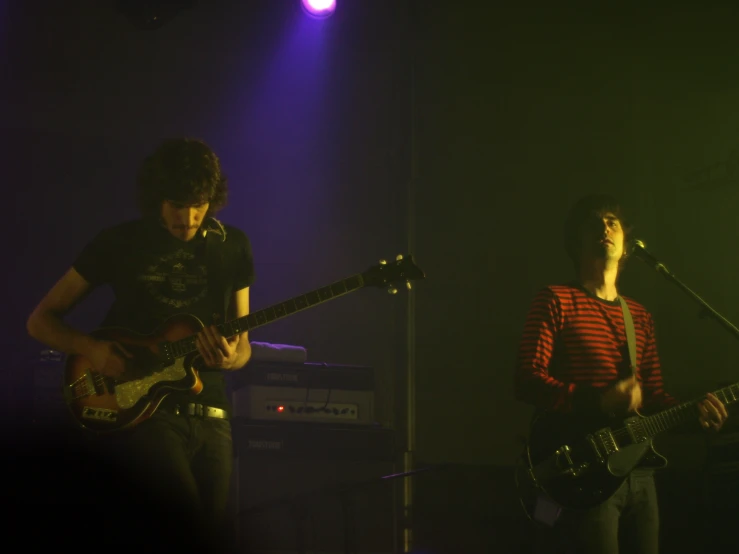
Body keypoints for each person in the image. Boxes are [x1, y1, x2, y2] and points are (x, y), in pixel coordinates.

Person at [25, 137, 255, 550]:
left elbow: (244, 348)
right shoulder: (120, 241)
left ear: (212, 198)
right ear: (156, 198)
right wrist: (93, 350)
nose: (187, 220)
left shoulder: (233, 246)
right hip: (143, 411)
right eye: (176, 207)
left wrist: (230, 357)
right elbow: (40, 321)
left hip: (213, 414)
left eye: (198, 206)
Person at [513, 193, 729, 554]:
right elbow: (526, 379)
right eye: (594, 222)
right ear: (576, 239)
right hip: (585, 466)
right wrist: (597, 401)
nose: (605, 227)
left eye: (612, 221)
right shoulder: (555, 300)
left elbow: (656, 398)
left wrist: (697, 415)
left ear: (626, 243)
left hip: (640, 473)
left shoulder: (639, 316)